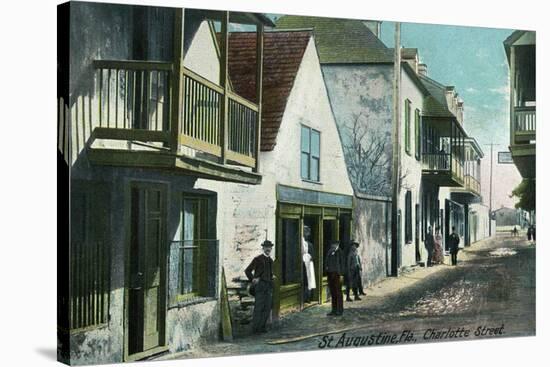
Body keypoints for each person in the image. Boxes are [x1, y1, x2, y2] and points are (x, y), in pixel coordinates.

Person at [245, 240, 275, 334]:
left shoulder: (270, 260)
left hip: (268, 286)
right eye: (266, 247)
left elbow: (269, 273)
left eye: (269, 247)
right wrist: (253, 279)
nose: (268, 249)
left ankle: (262, 327)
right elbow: (247, 271)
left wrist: (272, 276)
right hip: (260, 286)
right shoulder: (257, 259)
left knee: (267, 307)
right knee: (259, 307)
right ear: (263, 248)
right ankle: (255, 329)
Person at [325, 240, 344, 316]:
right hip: (330, 274)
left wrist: (341, 275)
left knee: (338, 293)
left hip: (337, 274)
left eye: (335, 245)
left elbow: (342, 264)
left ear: (338, 245)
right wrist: (326, 268)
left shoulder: (340, 252)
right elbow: (326, 261)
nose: (333, 246)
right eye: (332, 245)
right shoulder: (330, 251)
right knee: (333, 292)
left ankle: (340, 310)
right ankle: (334, 310)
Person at [301, 226, 316, 303]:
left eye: (307, 233)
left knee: (309, 281)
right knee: (304, 280)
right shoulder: (300, 243)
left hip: (309, 264)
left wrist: (309, 258)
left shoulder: (310, 245)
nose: (306, 235)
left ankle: (308, 297)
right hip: (302, 265)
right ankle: (303, 297)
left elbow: (313, 255)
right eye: (304, 233)